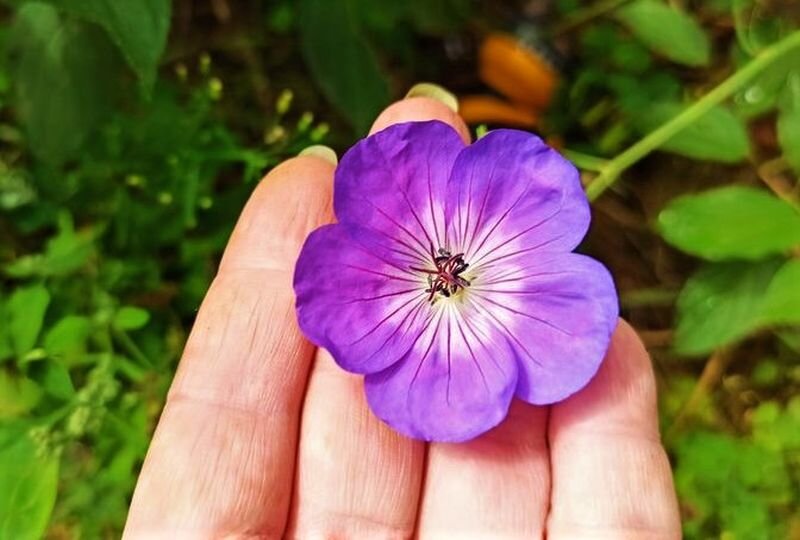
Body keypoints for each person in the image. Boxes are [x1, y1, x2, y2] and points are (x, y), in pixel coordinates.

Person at [123, 85, 682, 539]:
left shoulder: (544, 295)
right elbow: (336, 292)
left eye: (449, 274)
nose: (448, 275)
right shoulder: (364, 279)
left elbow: (568, 318)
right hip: (435, 329)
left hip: (493, 292)